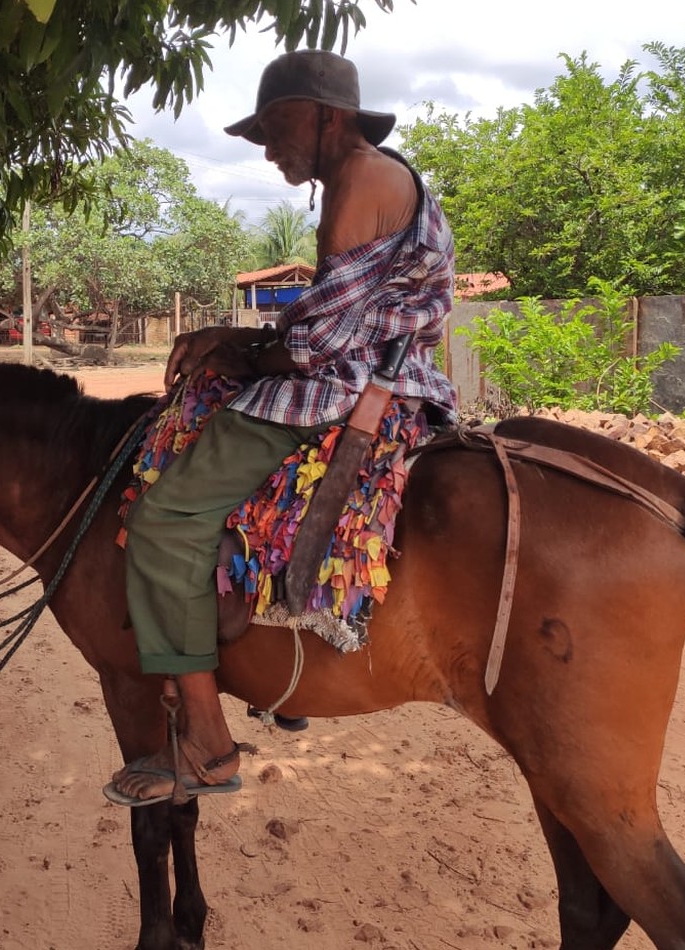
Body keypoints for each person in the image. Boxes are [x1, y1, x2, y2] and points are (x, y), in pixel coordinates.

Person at [105, 49, 456, 807]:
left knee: (165, 518)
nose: (268, 148)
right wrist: (230, 338)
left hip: (343, 390)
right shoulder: (392, 175)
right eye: (261, 133)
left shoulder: (358, 180)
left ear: (330, 115)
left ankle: (205, 740)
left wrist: (233, 348)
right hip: (400, 378)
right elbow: (333, 310)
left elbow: (312, 348)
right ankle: (272, 664)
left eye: (277, 125)